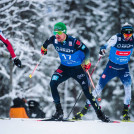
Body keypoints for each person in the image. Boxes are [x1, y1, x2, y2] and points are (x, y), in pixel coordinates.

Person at [41, 22, 110, 122]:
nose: (57, 35)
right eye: (55, 32)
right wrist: (44, 48)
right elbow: (46, 43)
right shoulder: (54, 39)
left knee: (87, 92)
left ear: (64, 32)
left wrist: (87, 61)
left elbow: (86, 50)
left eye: (59, 32)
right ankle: (59, 112)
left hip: (78, 69)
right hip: (64, 68)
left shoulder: (73, 42)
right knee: (53, 83)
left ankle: (100, 115)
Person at [73, 22, 134, 121]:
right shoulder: (116, 38)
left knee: (128, 89)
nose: (128, 37)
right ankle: (83, 111)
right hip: (111, 68)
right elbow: (105, 45)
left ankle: (125, 113)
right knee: (97, 89)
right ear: (122, 33)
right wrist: (102, 50)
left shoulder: (133, 39)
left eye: (130, 34)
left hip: (124, 69)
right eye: (126, 34)